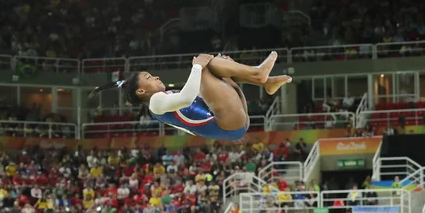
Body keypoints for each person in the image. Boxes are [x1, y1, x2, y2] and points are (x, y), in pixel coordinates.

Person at [90, 52, 291, 140]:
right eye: (149, 77)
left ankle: (265, 81)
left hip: (233, 124)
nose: (156, 76)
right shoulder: (156, 103)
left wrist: (226, 75)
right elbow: (188, 97)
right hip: (229, 123)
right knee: (205, 68)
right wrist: (197, 66)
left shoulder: (166, 99)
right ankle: (259, 75)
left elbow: (202, 101)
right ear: (141, 91)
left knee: (212, 66)